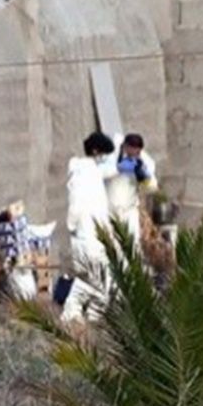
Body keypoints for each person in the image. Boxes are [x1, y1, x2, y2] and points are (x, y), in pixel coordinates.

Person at [62, 132, 116, 322]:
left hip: (96, 233)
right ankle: (71, 311)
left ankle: (94, 313)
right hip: (85, 233)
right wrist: (72, 225)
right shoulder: (81, 172)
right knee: (89, 276)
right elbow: (76, 203)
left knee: (103, 276)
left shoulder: (93, 171)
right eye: (103, 154)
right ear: (95, 151)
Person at [102, 132, 158, 245]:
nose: (135, 154)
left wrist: (143, 176)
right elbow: (100, 173)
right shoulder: (110, 154)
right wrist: (118, 169)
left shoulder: (142, 160)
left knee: (132, 247)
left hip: (129, 211)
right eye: (132, 151)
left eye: (137, 152)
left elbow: (152, 187)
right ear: (126, 147)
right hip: (109, 211)